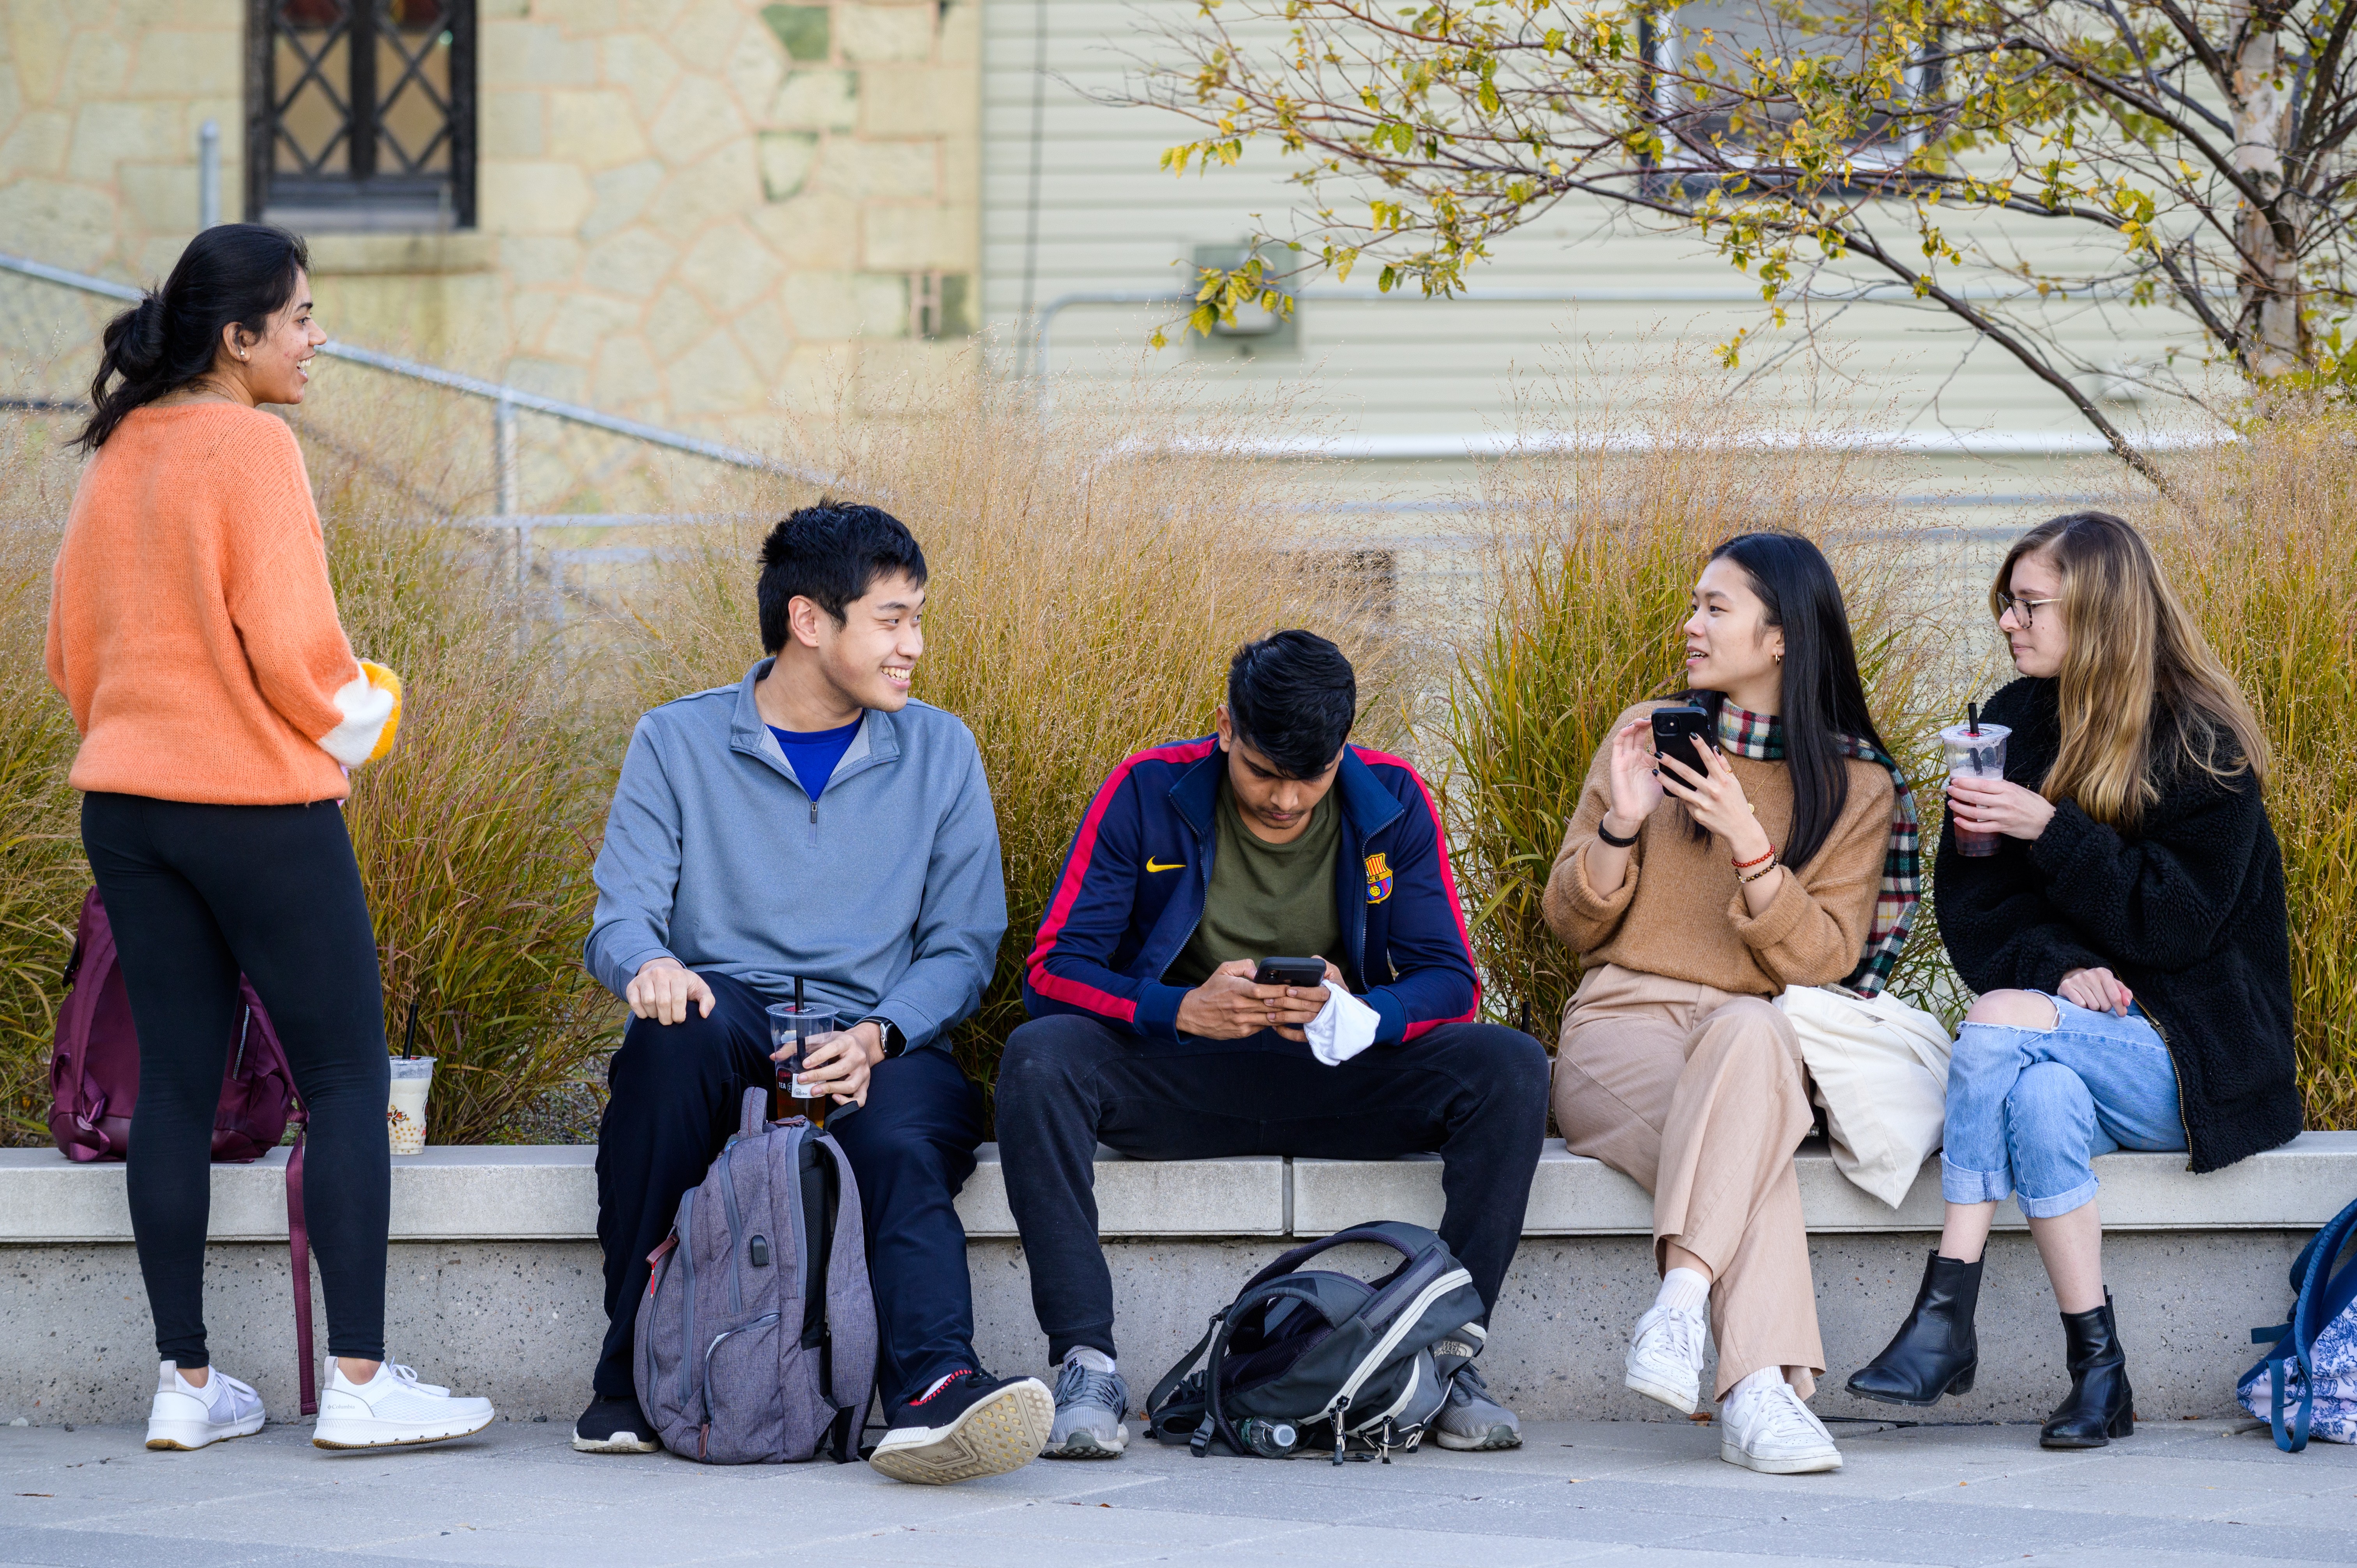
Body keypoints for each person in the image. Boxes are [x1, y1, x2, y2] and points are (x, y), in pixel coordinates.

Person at [44, 224, 494, 1452]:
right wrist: (370, 715)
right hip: (255, 808)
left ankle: (185, 1386)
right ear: (238, 337)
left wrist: (145, 728)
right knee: (346, 1078)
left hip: (127, 808)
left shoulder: (118, 448)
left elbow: (68, 655)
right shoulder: (252, 447)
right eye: (299, 317)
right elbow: (302, 653)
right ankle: (357, 1383)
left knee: (177, 1088)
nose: (317, 337)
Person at [996, 629, 1550, 1460]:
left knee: (1510, 1065)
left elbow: (1452, 978)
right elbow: (1055, 968)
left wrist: (1365, 1014)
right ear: (1225, 726)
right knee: (1039, 1057)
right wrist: (1179, 1008)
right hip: (1180, 1075)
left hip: (1337, 1076)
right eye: (1264, 773)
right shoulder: (1146, 788)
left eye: (1312, 776)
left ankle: (1443, 1356)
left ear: (1344, 750)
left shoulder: (1393, 798)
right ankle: (1088, 1359)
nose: (1287, 800)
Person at [579, 501, 1047, 1483]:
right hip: (732, 1016)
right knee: (670, 1047)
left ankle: (932, 1391)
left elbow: (965, 944)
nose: (913, 644)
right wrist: (650, 970)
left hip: (882, 1029)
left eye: (918, 617)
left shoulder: (940, 749)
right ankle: (628, 1375)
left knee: (897, 1139)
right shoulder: (676, 741)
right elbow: (619, 917)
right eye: (892, 618)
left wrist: (882, 1032)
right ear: (808, 621)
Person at [1847, 510, 2297, 1448]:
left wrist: (2046, 826)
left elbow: (2183, 924)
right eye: (2004, 604)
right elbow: (1976, 914)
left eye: (2030, 604)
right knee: (2040, 1095)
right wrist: (2061, 966)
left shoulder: (2203, 743)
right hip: (2071, 1046)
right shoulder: (2010, 719)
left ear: (2099, 611)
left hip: (2201, 1059)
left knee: (2003, 1022)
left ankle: (1945, 1311)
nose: (2009, 622)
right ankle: (2100, 1371)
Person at [1544, 532, 1919, 1475]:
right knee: (1754, 1159)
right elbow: (1567, 921)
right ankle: (1762, 1390)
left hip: (1745, 1040)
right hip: (1619, 1027)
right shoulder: (1648, 731)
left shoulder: (1857, 785)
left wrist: (1756, 851)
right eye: (1695, 604)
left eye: (1715, 606)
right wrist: (1623, 823)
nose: (1691, 623)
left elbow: (1828, 958)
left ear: (1783, 634)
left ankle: (1681, 1309)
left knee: (1755, 1028)